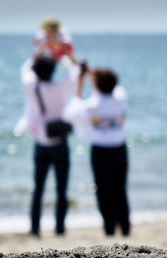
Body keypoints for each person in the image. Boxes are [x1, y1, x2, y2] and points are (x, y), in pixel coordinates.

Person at [63, 66, 131, 236]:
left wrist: (80, 85)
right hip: (120, 149)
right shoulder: (120, 98)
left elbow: (70, 112)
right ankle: (125, 227)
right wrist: (93, 75)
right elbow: (113, 86)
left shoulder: (91, 106)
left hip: (101, 152)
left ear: (96, 85)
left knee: (103, 192)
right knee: (120, 189)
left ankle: (109, 229)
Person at [18, 52, 80, 236]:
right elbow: (75, 71)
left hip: (40, 142)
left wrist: (41, 49)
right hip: (59, 142)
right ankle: (59, 229)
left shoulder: (32, 86)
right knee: (62, 189)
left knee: (38, 189)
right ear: (53, 70)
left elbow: (25, 69)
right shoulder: (60, 87)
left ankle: (35, 228)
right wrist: (62, 55)